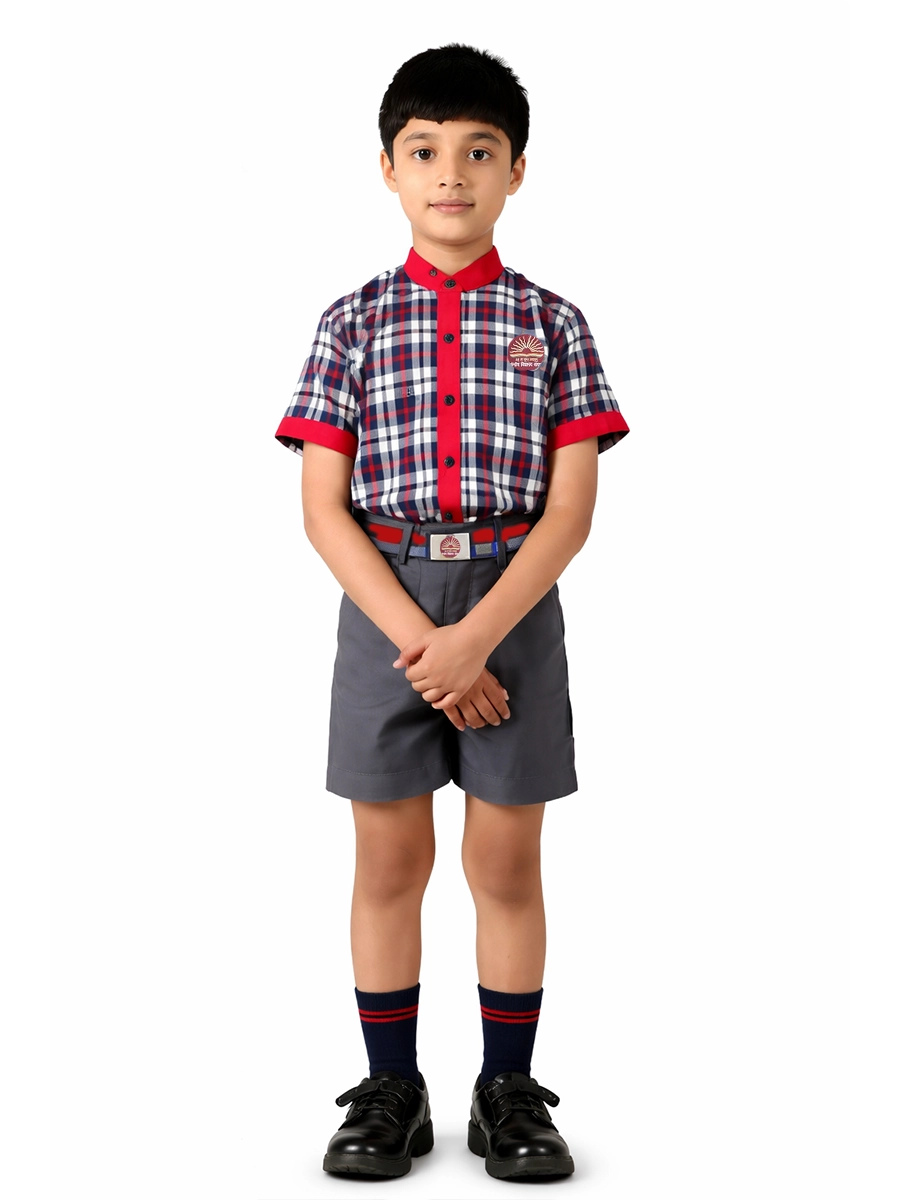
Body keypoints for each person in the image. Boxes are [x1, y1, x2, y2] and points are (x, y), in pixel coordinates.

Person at [274, 43, 629, 1181]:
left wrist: (477, 638)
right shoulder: (351, 322)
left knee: (506, 862)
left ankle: (506, 1089)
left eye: (480, 152)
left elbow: (570, 512)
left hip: (512, 607)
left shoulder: (554, 324)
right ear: (387, 168)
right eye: (424, 151)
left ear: (517, 171)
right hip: (384, 611)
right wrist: (425, 646)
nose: (451, 174)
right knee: (388, 860)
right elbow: (323, 510)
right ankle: (392, 1087)